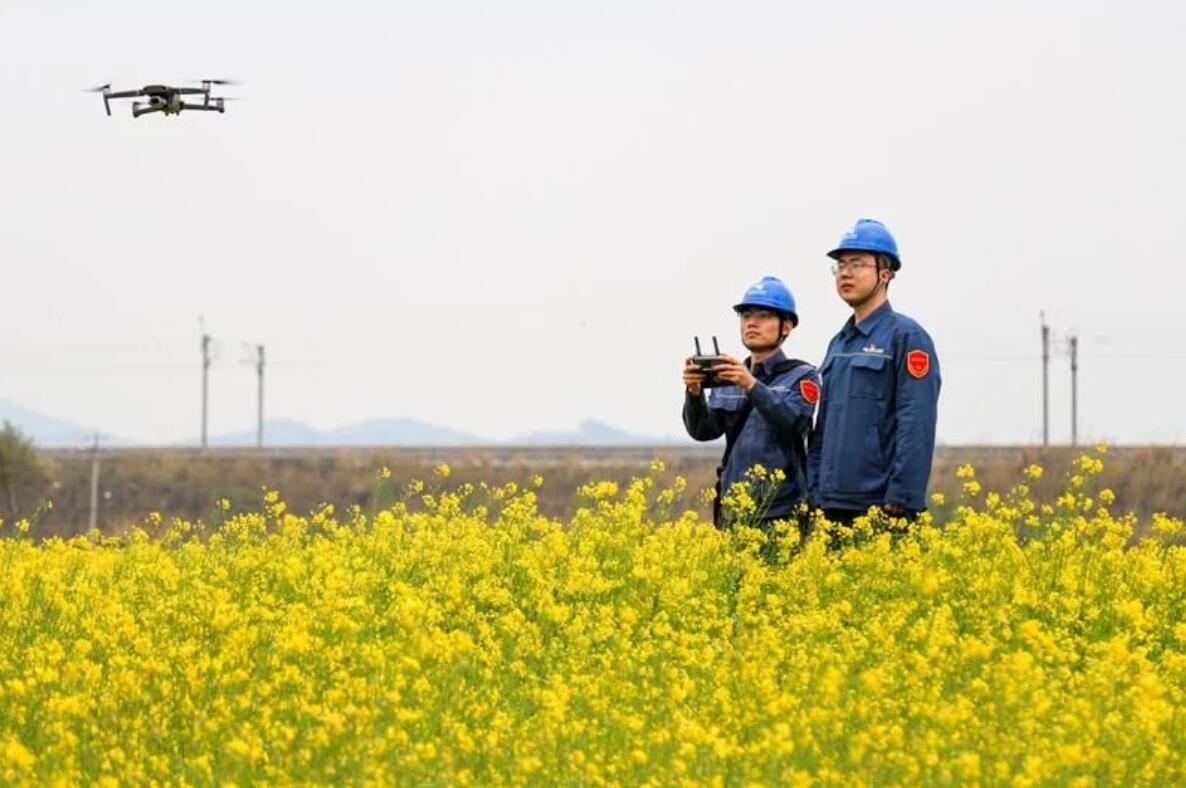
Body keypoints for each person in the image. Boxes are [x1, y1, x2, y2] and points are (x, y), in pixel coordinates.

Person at [808, 219, 940, 526]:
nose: (845, 273)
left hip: (881, 506)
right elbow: (822, 427)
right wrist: (813, 487)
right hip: (831, 503)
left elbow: (916, 419)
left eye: (857, 264)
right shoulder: (838, 343)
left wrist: (902, 494)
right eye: (840, 265)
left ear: (885, 273)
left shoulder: (907, 338)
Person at [683, 276, 820, 528]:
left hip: (782, 514)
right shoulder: (728, 376)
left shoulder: (802, 376)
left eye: (764, 316)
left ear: (786, 326)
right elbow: (703, 431)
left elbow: (794, 422)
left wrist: (751, 385)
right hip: (734, 512)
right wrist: (693, 394)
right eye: (746, 316)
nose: (752, 323)